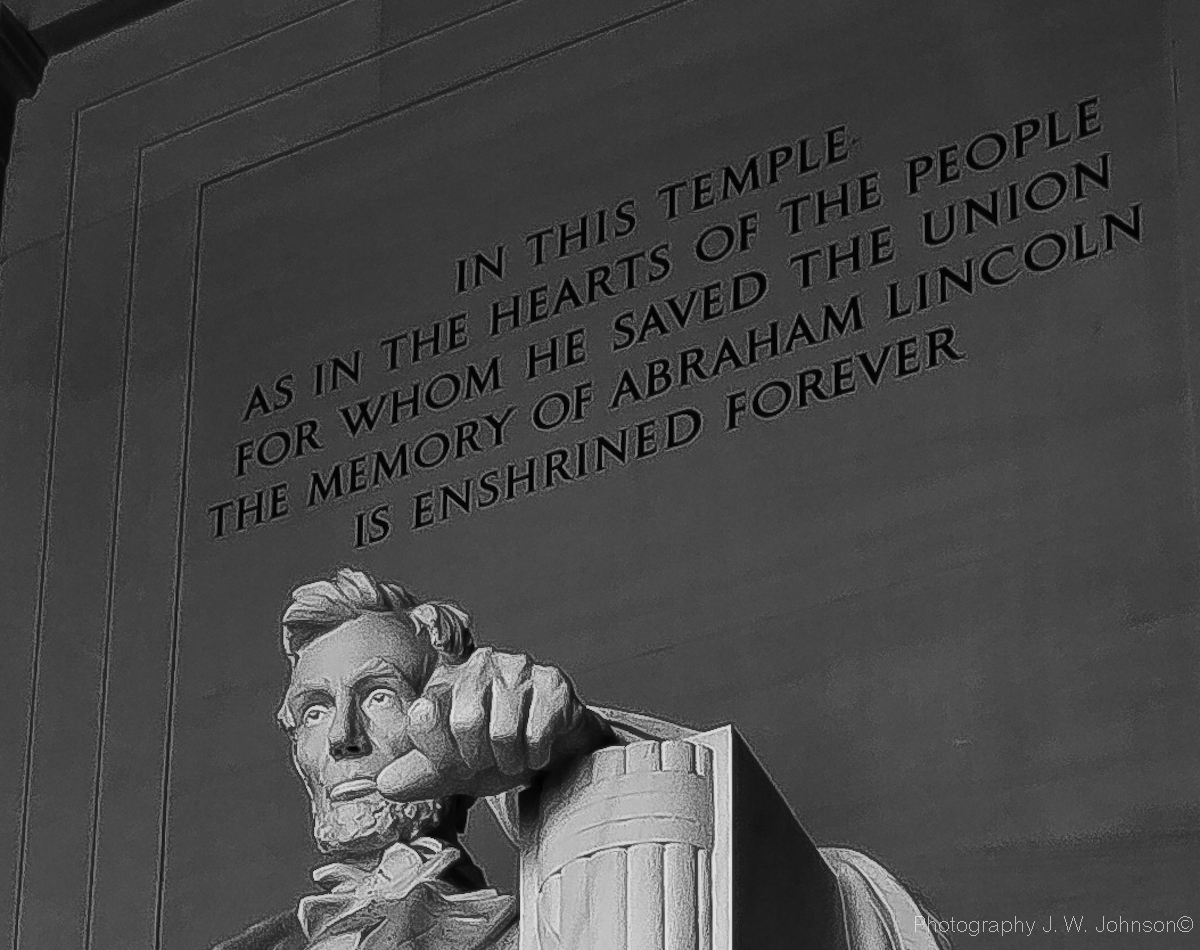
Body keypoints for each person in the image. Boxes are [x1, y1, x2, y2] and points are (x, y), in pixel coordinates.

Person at [214, 568, 947, 950]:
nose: (341, 736)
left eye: (378, 696)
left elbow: (805, 918)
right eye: (314, 710)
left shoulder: (543, 930)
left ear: (446, 699)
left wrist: (582, 761)